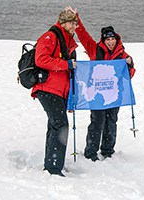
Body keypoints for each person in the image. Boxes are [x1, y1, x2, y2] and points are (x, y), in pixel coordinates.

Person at [68, 7, 136, 162]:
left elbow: (129, 76)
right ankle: (91, 152)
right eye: (107, 39)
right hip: (96, 93)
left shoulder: (123, 54)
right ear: (104, 40)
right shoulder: (94, 49)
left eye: (112, 39)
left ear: (116, 39)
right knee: (97, 122)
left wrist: (129, 65)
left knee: (111, 122)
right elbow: (83, 35)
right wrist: (76, 18)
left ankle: (107, 151)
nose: (110, 42)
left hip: (114, 94)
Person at [31, 7, 78, 176]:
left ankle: (52, 163)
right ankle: (53, 168)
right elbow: (41, 59)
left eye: (75, 24)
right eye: (71, 23)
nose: (74, 27)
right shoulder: (50, 36)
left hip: (59, 90)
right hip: (48, 88)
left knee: (55, 125)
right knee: (60, 125)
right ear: (63, 23)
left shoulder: (66, 39)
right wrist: (66, 64)